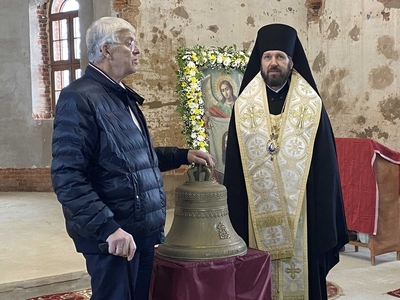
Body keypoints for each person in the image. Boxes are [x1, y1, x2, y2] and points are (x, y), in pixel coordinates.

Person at [50, 17, 214, 300]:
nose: (137, 50)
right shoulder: (78, 98)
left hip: (143, 233)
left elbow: (134, 158)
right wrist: (108, 228)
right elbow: (67, 176)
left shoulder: (121, 95)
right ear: (106, 50)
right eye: (129, 43)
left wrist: (181, 155)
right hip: (115, 237)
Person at [223, 23, 348, 300]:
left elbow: (325, 167)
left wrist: (323, 214)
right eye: (267, 57)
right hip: (255, 210)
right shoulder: (244, 105)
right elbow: (234, 165)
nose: (273, 63)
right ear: (260, 61)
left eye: (280, 57)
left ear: (292, 61)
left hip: (302, 213)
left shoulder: (310, 104)